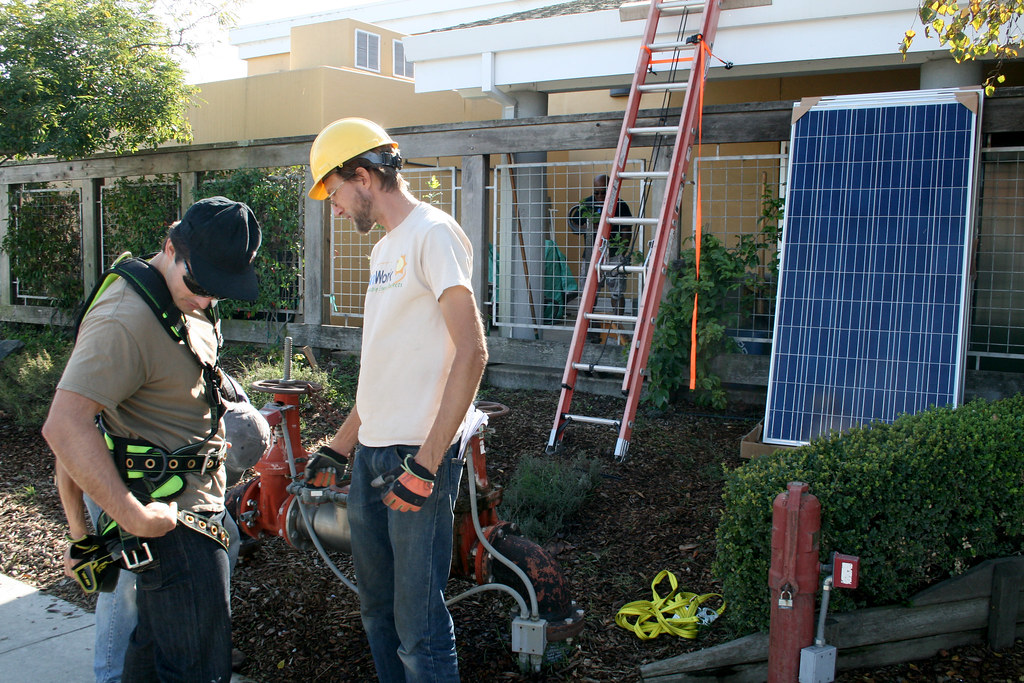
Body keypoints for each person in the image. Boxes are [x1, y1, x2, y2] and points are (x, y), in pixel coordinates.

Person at [43, 196, 263, 683]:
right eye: (199, 284)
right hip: (169, 524)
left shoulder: (181, 297)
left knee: (154, 661)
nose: (205, 299)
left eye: (218, 290)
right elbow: (66, 426)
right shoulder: (123, 319)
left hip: (195, 511)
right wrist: (125, 519)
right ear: (170, 247)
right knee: (196, 671)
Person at [303, 117, 488, 682]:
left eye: (335, 192)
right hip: (372, 456)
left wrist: (427, 465)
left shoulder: (433, 234)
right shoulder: (385, 249)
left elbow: (472, 352)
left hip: (416, 457)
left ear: (363, 175)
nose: (335, 209)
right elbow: (385, 369)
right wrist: (340, 446)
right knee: (377, 613)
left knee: (419, 627)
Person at [84, 379, 270, 683]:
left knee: (227, 537)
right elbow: (69, 442)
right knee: (126, 574)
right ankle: (111, 673)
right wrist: (81, 535)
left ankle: (201, 639)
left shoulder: (227, 394)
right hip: (111, 475)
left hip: (176, 480)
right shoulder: (154, 390)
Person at [569, 173, 634, 340]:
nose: (599, 196)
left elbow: (627, 230)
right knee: (589, 293)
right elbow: (573, 224)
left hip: (614, 256)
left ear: (611, 190)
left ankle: (617, 325)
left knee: (617, 293)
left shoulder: (620, 205)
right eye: (596, 192)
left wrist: (621, 253)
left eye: (603, 193)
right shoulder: (587, 204)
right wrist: (588, 227)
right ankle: (590, 329)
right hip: (591, 256)